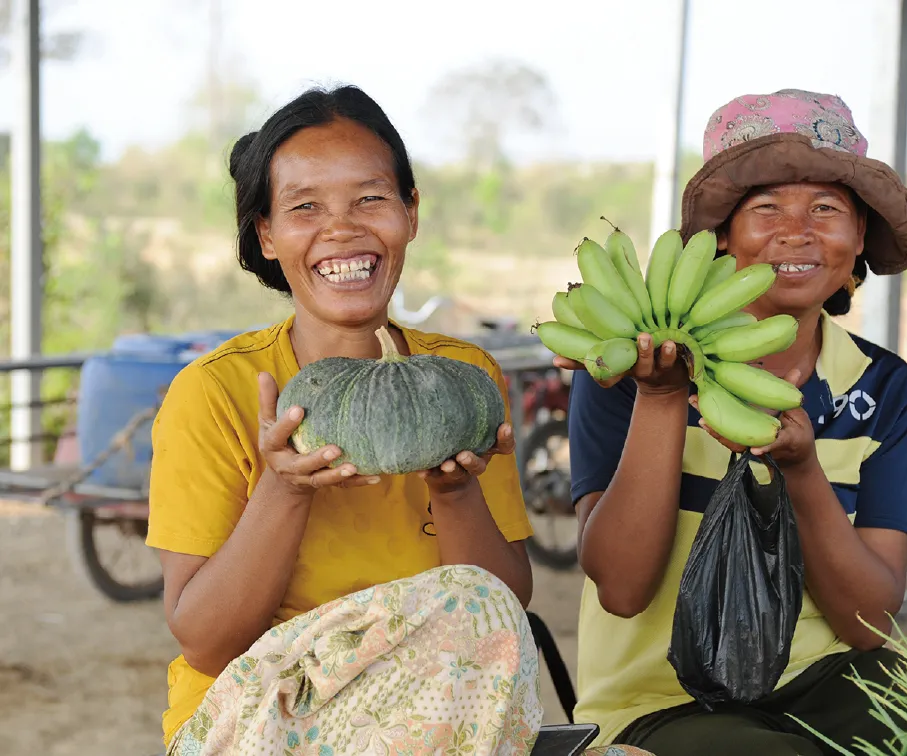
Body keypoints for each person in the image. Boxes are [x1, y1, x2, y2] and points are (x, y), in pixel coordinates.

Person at [145, 84, 646, 756]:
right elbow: (206, 645)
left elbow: (501, 611)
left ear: (411, 213)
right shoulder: (214, 392)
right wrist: (285, 487)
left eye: (370, 198)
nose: (341, 229)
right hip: (256, 726)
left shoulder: (462, 379)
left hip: (438, 721)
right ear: (266, 234)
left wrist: (456, 491)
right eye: (305, 207)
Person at [560, 90, 907, 755]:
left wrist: (802, 471)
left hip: (821, 679)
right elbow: (621, 588)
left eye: (826, 208)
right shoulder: (627, 368)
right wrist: (663, 399)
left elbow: (869, 624)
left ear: (859, 238)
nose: (797, 231)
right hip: (660, 699)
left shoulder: (883, 388)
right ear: (722, 237)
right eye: (767, 208)